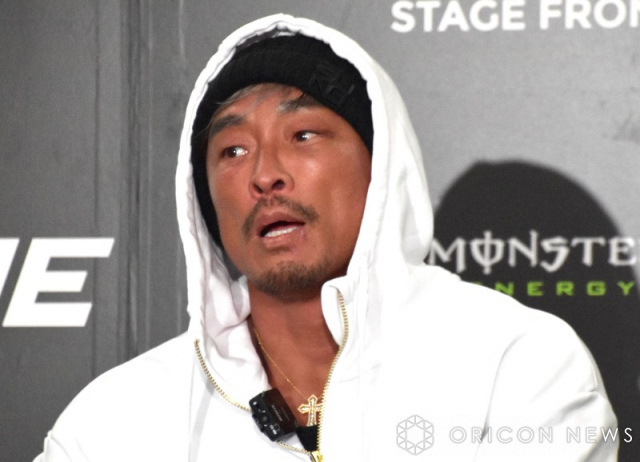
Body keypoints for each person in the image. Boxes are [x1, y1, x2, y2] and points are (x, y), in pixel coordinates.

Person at [35, 14, 618, 461]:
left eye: (304, 135)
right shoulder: (113, 422)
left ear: (380, 169)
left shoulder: (518, 363)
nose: (265, 174)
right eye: (232, 150)